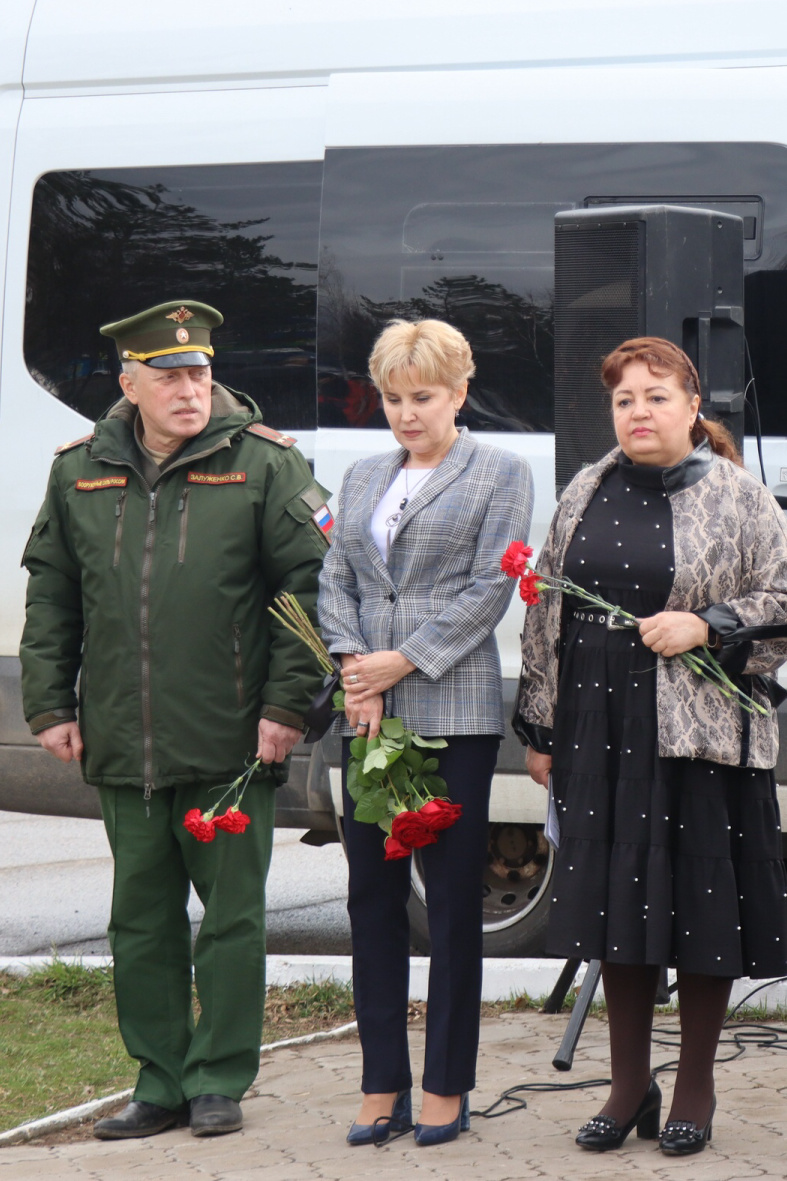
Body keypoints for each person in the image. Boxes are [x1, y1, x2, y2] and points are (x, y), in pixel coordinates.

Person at [20, 301, 331, 1140]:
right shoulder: (78, 469)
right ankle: (159, 1080)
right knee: (140, 920)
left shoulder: (264, 467)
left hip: (232, 738)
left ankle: (219, 1078)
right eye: (169, 377)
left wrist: (285, 706)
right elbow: (52, 593)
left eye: (199, 372)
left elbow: (310, 592)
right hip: (124, 736)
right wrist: (50, 702)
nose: (190, 389)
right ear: (130, 385)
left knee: (231, 920)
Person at [514, 336, 787, 1158]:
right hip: (599, 730)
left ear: (691, 407)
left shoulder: (738, 495)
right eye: (624, 400)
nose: (638, 412)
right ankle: (626, 1082)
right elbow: (546, 609)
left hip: (699, 739)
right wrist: (539, 727)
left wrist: (706, 625)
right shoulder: (586, 487)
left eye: (655, 396)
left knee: (700, 909)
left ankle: (695, 1083)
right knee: (618, 909)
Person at [317, 318, 535, 1148]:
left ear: (460, 393)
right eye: (394, 398)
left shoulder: (500, 472)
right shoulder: (364, 473)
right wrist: (352, 665)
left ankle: (446, 1083)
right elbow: (334, 576)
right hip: (366, 705)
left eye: (424, 398)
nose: (407, 414)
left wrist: (398, 662)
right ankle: (381, 1084)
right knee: (370, 897)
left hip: (450, 706)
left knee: (448, 905)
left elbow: (490, 589)